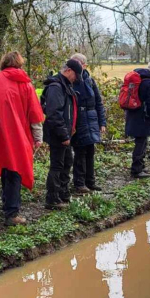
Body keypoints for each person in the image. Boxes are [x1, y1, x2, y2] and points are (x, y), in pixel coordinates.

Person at [0, 51, 45, 226]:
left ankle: (7, 206)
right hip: (18, 136)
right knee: (15, 170)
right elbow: (35, 114)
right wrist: (38, 138)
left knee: (6, 168)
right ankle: (11, 213)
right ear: (20, 64)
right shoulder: (25, 84)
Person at [42, 59, 81, 208]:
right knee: (57, 166)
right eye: (76, 75)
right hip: (57, 135)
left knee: (67, 162)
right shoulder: (56, 87)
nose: (76, 79)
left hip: (65, 133)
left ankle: (63, 193)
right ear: (68, 71)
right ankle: (52, 199)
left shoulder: (65, 86)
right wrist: (64, 135)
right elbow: (54, 114)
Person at [69, 53, 107, 193]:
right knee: (79, 152)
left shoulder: (90, 80)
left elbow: (98, 102)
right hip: (78, 121)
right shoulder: (70, 81)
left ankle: (90, 182)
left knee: (90, 152)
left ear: (84, 65)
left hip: (91, 120)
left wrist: (102, 122)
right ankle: (79, 183)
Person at [125, 58, 150, 179]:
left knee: (140, 142)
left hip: (132, 114)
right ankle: (136, 170)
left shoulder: (140, 78)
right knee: (141, 143)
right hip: (143, 117)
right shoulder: (149, 83)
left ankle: (141, 165)